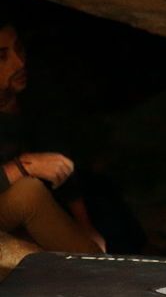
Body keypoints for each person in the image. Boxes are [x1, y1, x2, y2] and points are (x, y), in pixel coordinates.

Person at [0, 15, 103, 254]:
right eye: (2, 56)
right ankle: (99, 275)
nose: (19, 63)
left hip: (23, 208)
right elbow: (29, 175)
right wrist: (24, 167)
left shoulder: (33, 96)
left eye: (19, 50)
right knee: (28, 191)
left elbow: (58, 160)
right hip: (15, 200)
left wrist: (85, 227)